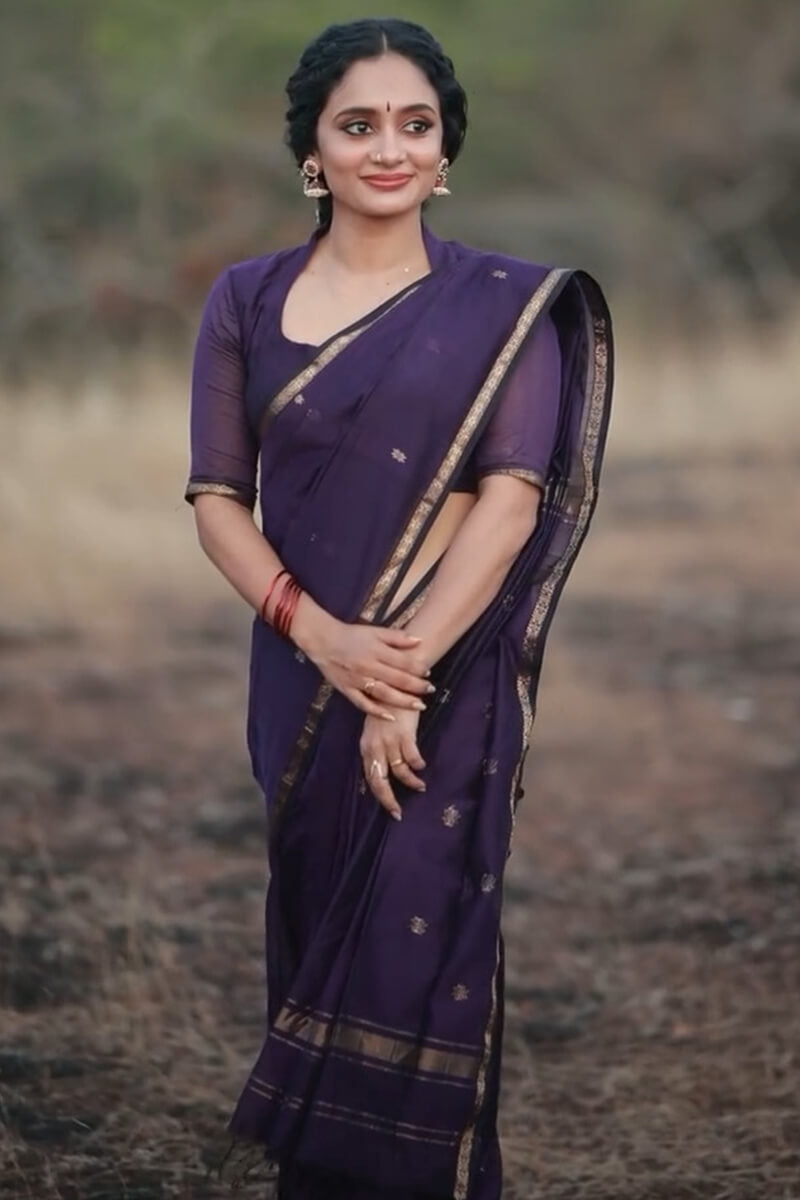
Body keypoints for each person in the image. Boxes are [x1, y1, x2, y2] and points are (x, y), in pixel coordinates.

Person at [185, 17, 613, 1200]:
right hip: (297, 675)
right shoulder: (244, 298)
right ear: (312, 152)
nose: (389, 148)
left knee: (416, 948)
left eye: (413, 125)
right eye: (357, 124)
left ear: (444, 149)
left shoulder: (503, 309)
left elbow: (508, 501)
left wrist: (397, 678)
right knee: (317, 913)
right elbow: (218, 498)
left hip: (444, 679)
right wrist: (321, 639)